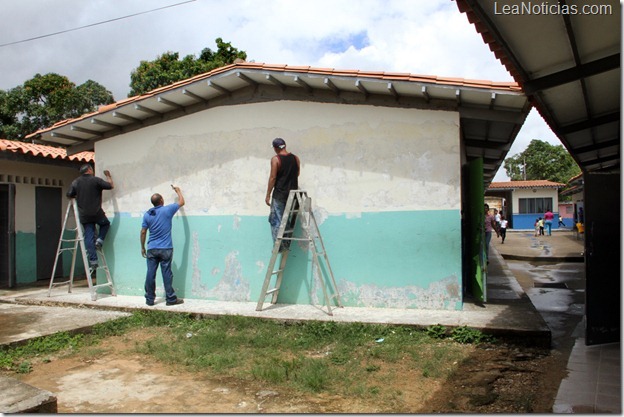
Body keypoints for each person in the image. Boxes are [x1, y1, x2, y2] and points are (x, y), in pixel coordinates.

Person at [140, 186, 185, 306]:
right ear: (161, 201)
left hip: (151, 248)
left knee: (150, 273)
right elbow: (181, 202)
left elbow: (143, 231)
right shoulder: (167, 210)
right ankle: (170, 299)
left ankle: (150, 299)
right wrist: (178, 191)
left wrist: (143, 247)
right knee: (166, 273)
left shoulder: (148, 214)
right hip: (166, 248)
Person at [66, 164, 114, 271]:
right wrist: (108, 176)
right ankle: (100, 241)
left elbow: (69, 194)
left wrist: (77, 195)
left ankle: (93, 261)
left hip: (84, 214)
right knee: (105, 224)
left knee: (89, 236)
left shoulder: (76, 182)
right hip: (97, 213)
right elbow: (111, 186)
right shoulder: (96, 180)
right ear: (89, 170)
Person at [265, 138, 300, 250]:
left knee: (276, 220)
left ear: (275, 148)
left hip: (280, 194)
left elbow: (273, 178)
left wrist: (268, 194)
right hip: (293, 195)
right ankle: (286, 244)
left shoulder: (276, 159)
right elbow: (297, 173)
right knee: (287, 221)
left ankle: (279, 247)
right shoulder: (295, 158)